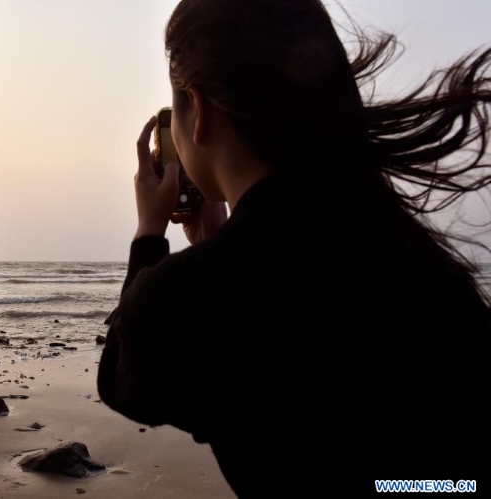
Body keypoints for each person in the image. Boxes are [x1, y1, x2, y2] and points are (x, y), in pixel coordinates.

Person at [96, 0, 491, 495]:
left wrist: (149, 233)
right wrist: (217, 241)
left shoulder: (189, 297)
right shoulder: (399, 243)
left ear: (198, 112)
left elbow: (127, 379)